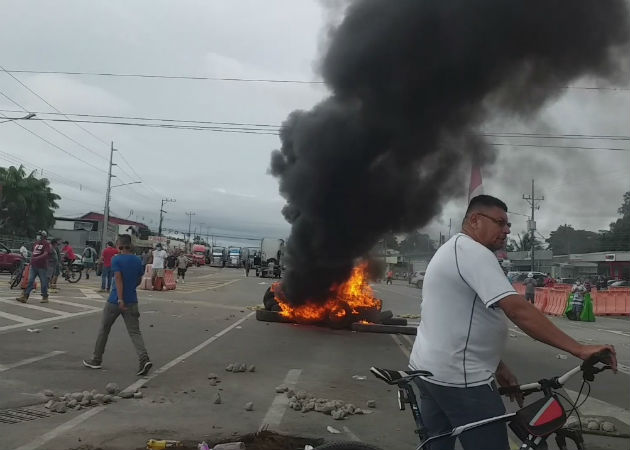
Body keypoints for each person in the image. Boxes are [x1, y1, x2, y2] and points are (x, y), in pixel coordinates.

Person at [409, 195, 616, 450]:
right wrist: (580, 349)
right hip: (461, 381)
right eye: (500, 222)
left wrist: (497, 365)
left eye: (508, 225)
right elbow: (518, 311)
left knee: (437, 446)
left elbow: (453, 322)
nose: (507, 230)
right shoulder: (471, 252)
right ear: (475, 220)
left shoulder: (453, 250)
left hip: (430, 372)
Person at [83, 234, 152, 376]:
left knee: (104, 329)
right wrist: (130, 289)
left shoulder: (117, 259)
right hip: (132, 301)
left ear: (119, 246)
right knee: (134, 332)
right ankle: (143, 358)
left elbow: (118, 279)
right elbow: (139, 280)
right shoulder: (137, 260)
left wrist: (120, 299)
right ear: (131, 245)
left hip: (115, 301)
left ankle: (96, 359)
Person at [16, 231, 51, 303]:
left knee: (43, 282)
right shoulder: (36, 243)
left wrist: (38, 258)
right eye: (37, 235)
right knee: (30, 281)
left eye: (39, 235)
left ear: (43, 236)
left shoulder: (46, 244)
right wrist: (31, 259)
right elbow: (33, 253)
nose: (38, 236)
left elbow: (46, 253)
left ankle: (45, 296)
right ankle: (25, 296)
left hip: (42, 266)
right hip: (33, 265)